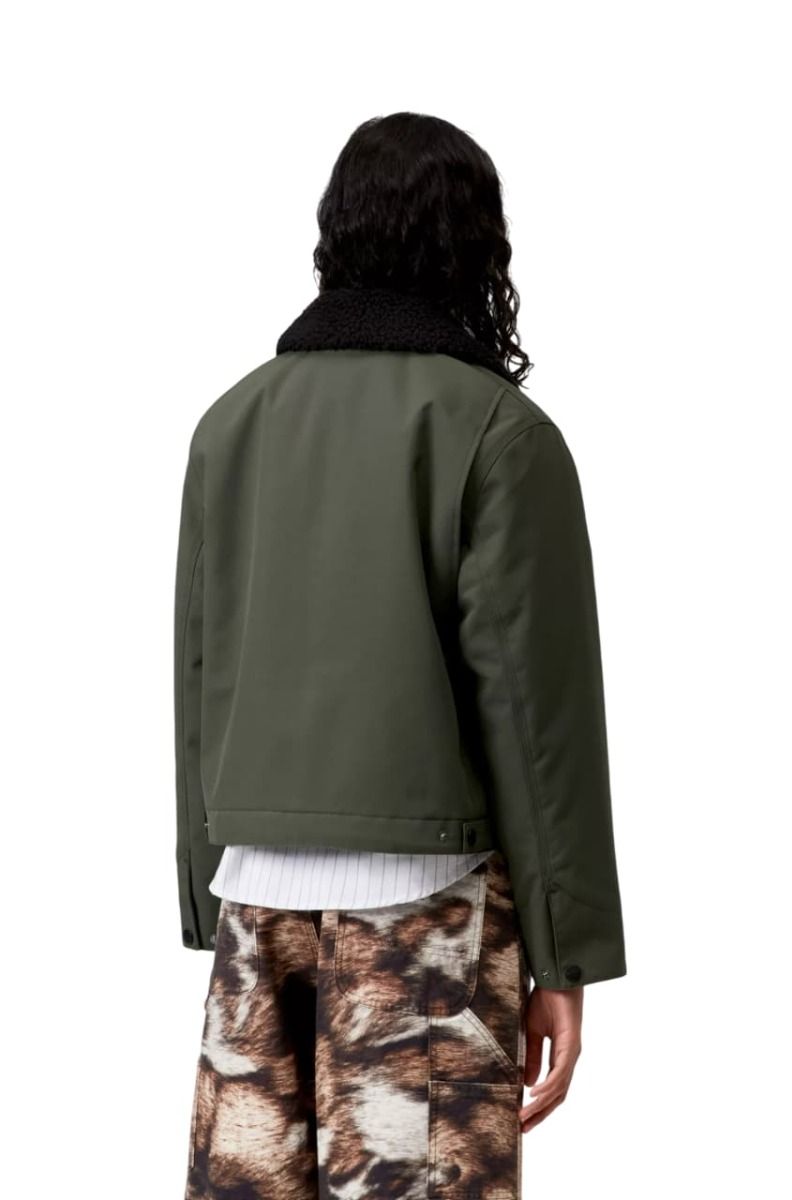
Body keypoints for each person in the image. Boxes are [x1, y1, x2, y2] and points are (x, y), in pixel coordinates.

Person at [174, 111, 626, 1200]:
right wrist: (563, 955)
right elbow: (536, 718)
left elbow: (200, 670)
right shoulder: (498, 432)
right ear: (477, 246)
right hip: (426, 920)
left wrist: (205, 881)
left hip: (254, 902)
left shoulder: (231, 424)